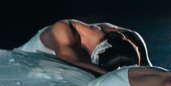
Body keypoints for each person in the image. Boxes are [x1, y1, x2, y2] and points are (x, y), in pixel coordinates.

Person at [14, 19, 150, 71]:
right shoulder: (64, 30)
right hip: (25, 61)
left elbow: (147, 67)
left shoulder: (131, 37)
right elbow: (73, 63)